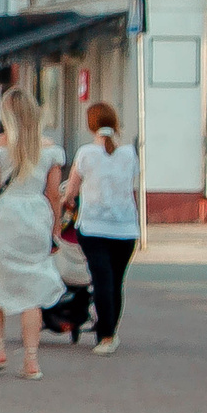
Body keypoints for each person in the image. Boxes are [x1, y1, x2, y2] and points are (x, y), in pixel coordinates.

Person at [0, 87, 65, 379]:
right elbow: (53, 195)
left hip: (6, 216)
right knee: (32, 290)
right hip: (37, 215)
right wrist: (56, 231)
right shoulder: (48, 149)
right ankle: (31, 361)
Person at [60, 101, 139, 354]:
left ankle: (106, 337)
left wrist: (68, 203)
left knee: (101, 279)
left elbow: (71, 192)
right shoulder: (129, 154)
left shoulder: (85, 153)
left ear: (91, 125)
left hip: (93, 228)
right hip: (126, 228)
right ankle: (110, 333)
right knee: (116, 282)